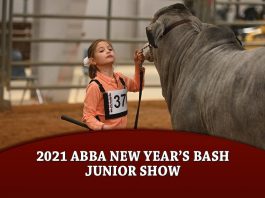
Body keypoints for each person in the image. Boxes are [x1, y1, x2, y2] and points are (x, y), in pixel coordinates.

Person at [82, 39, 145, 130]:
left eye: (110, 49)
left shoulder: (121, 78)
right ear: (93, 61)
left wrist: (137, 65)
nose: (108, 51)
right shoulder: (95, 86)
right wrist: (103, 127)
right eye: (101, 50)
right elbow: (88, 116)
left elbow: (136, 86)